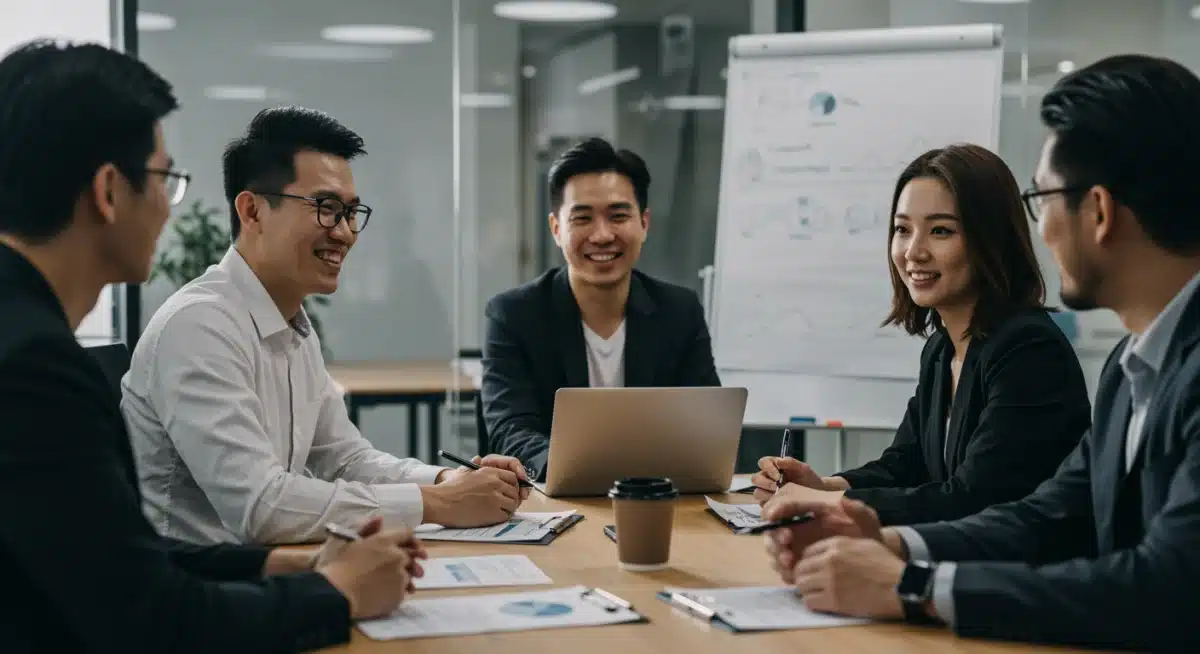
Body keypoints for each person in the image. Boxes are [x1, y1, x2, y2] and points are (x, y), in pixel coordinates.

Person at [762, 54, 1200, 653]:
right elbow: (1048, 513)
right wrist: (889, 543)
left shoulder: (1089, 357)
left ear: (1097, 212)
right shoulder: (1134, 366)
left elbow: (1169, 589)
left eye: (1042, 198)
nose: (1042, 229)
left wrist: (912, 586)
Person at [0, 39, 421, 652]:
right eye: (164, 179)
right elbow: (148, 619)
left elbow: (116, 559)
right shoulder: (32, 366)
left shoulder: (23, 334)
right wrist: (336, 594)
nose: (171, 210)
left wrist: (286, 568)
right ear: (109, 190)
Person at [122, 106, 529, 546]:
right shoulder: (199, 327)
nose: (346, 233)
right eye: (326, 209)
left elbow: (344, 459)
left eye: (352, 213)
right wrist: (438, 503)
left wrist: (449, 480)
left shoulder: (292, 326)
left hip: (276, 576)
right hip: (205, 594)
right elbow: (261, 507)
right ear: (252, 211)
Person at [750, 144, 1091, 526]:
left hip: (1017, 576)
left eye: (940, 231)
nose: (914, 252)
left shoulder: (1028, 350)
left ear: (990, 239)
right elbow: (907, 463)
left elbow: (971, 499)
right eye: (902, 229)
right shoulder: (942, 348)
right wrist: (826, 485)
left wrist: (821, 503)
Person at [481, 137, 720, 481]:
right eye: (583, 218)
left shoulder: (679, 311)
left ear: (644, 223)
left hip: (658, 501)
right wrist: (585, 472)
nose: (603, 235)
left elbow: (708, 425)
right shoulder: (514, 315)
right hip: (550, 503)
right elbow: (510, 430)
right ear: (556, 229)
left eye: (618, 216)